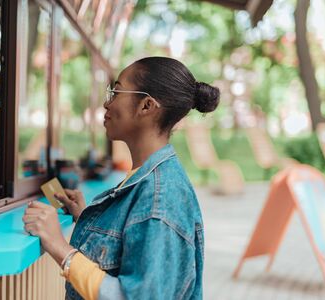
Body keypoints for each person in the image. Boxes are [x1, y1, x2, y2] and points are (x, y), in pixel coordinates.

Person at [22, 56, 220, 300]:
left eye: (115, 92)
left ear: (146, 106)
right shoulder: (148, 179)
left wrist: (58, 246)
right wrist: (88, 217)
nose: (107, 104)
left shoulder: (161, 199)